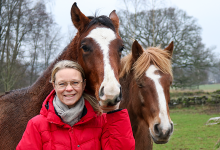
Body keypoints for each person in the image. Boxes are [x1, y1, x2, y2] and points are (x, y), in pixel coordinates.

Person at [16, 60, 135, 150]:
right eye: (62, 84)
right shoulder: (37, 125)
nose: (69, 89)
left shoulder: (101, 121)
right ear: (54, 86)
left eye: (75, 83)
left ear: (83, 85)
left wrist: (114, 113)